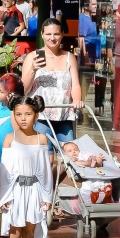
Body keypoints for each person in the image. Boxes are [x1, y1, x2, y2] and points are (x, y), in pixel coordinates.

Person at [0, 94, 53, 238]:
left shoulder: (41, 138)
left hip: (34, 191)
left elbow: (46, 170)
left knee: (29, 234)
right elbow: (5, 172)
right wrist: (4, 197)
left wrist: (47, 197)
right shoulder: (9, 139)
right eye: (19, 114)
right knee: (15, 233)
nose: (23, 118)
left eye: (28, 114)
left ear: (36, 115)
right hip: (15, 191)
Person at [21, 18, 83, 146]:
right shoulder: (32, 57)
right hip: (40, 116)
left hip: (64, 114)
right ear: (42, 35)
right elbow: (23, 90)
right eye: (48, 34)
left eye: (56, 34)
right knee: (44, 156)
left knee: (68, 155)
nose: (52, 38)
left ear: (62, 35)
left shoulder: (69, 57)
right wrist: (33, 69)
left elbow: (75, 85)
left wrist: (77, 100)